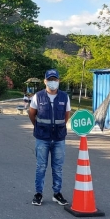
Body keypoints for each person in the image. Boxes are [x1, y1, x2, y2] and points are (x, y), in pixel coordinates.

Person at [28, 69, 71, 207]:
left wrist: (59, 127)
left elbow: (66, 115)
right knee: (41, 166)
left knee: (57, 167)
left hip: (59, 138)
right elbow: (32, 113)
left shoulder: (64, 97)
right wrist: (38, 126)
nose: (53, 82)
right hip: (42, 137)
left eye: (55, 79)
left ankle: (57, 193)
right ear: (45, 81)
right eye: (50, 79)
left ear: (58, 81)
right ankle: (38, 194)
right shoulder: (38, 96)